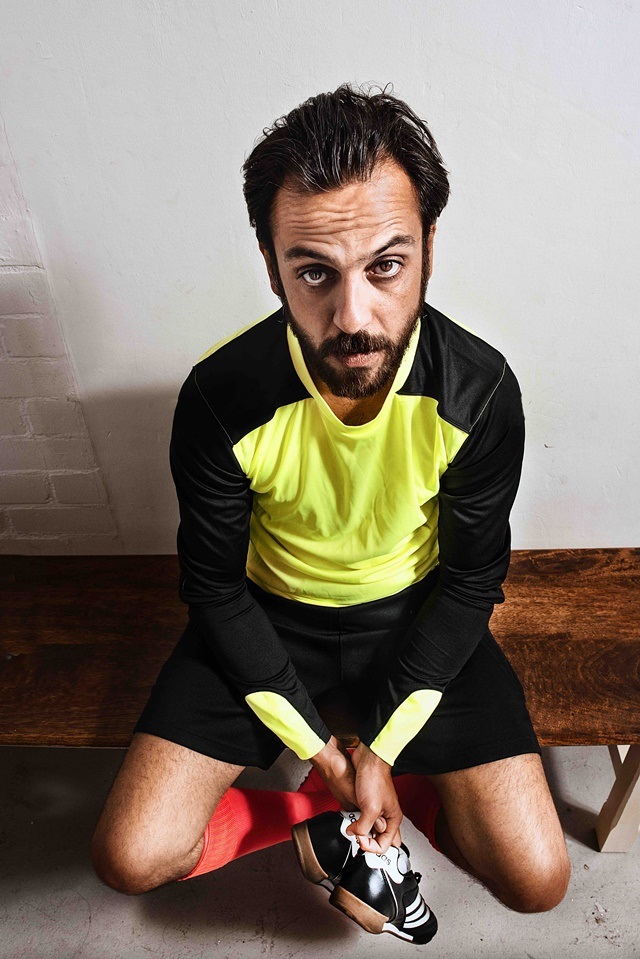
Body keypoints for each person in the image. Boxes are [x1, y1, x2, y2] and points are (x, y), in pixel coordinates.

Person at [91, 84, 571, 944]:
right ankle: (318, 817)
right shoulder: (219, 397)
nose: (353, 317)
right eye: (314, 272)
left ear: (429, 248)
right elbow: (213, 588)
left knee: (538, 880)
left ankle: (376, 801)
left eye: (386, 266)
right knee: (130, 855)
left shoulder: (481, 391)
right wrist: (325, 754)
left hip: (415, 614)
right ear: (271, 264)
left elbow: (471, 582)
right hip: (268, 617)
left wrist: (379, 751)